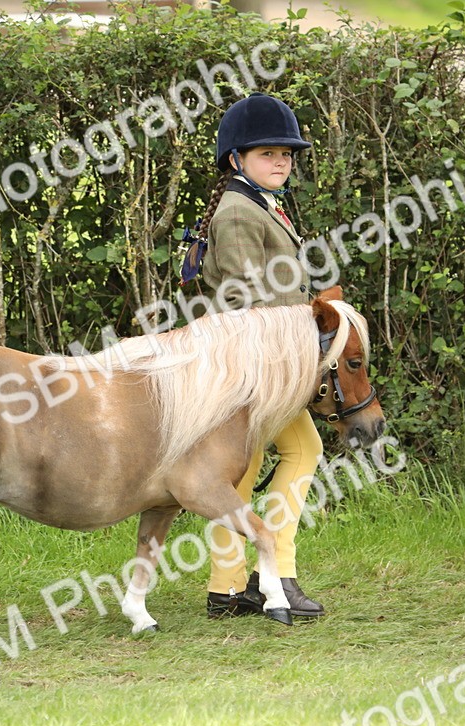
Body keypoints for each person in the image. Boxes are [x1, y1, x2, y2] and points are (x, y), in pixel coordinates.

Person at [185, 92, 326, 621]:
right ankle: (280, 575)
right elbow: (248, 297)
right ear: (236, 160)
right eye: (269, 153)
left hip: (255, 360)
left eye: (287, 154)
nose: (282, 162)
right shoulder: (240, 213)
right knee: (304, 450)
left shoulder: (258, 203)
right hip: (257, 362)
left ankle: (226, 586)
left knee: (242, 472)